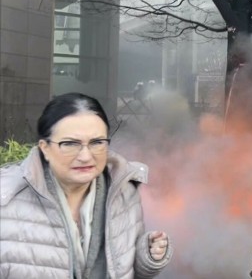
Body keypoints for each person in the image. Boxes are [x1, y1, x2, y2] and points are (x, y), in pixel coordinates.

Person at [0, 93, 173, 278]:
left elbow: (125, 270)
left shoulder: (124, 192)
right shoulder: (6, 199)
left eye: (97, 142)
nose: (85, 156)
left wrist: (147, 256)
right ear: (45, 148)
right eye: (70, 143)